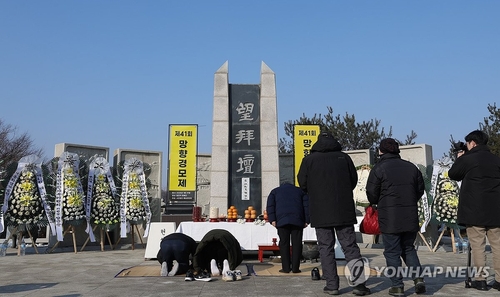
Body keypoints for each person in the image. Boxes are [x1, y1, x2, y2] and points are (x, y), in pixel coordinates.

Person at [297, 131, 371, 296]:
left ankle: (332, 285)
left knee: (325, 247)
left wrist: (316, 193)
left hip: (320, 210)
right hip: (343, 209)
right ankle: (359, 284)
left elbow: (302, 183)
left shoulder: (309, 160)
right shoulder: (344, 158)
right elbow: (353, 181)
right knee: (350, 246)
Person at [365, 138, 426, 296]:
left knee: (392, 251)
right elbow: (420, 189)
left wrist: (380, 201)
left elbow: (371, 194)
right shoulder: (411, 167)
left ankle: (397, 286)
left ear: (380, 151)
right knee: (409, 248)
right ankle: (418, 279)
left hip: (389, 217)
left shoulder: (378, 169)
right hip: (410, 214)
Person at [448, 130, 500, 292]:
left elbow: (453, 174)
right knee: (498, 246)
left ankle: (481, 280)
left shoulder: (468, 159)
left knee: (477, 246)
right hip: (496, 210)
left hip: (474, 210)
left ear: (472, 143)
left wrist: (460, 159)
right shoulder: (496, 160)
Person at [266, 181, 310, 273]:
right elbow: (307, 206)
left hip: (281, 221)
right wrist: (307, 220)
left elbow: (270, 206)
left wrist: (273, 220)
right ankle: (295, 268)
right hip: (297, 221)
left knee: (284, 243)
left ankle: (285, 268)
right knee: (297, 244)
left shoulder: (275, 191)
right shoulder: (300, 192)